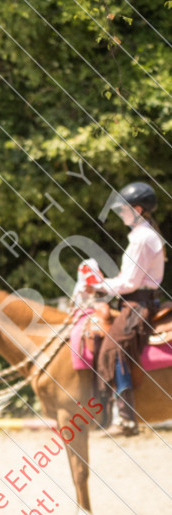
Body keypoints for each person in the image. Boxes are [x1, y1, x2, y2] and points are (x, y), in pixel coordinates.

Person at [95, 182, 165, 435]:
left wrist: (100, 284)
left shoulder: (141, 238)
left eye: (123, 210)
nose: (120, 214)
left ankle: (125, 417)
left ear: (136, 209)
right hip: (137, 299)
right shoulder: (143, 235)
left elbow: (130, 282)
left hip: (138, 303)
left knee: (114, 349)